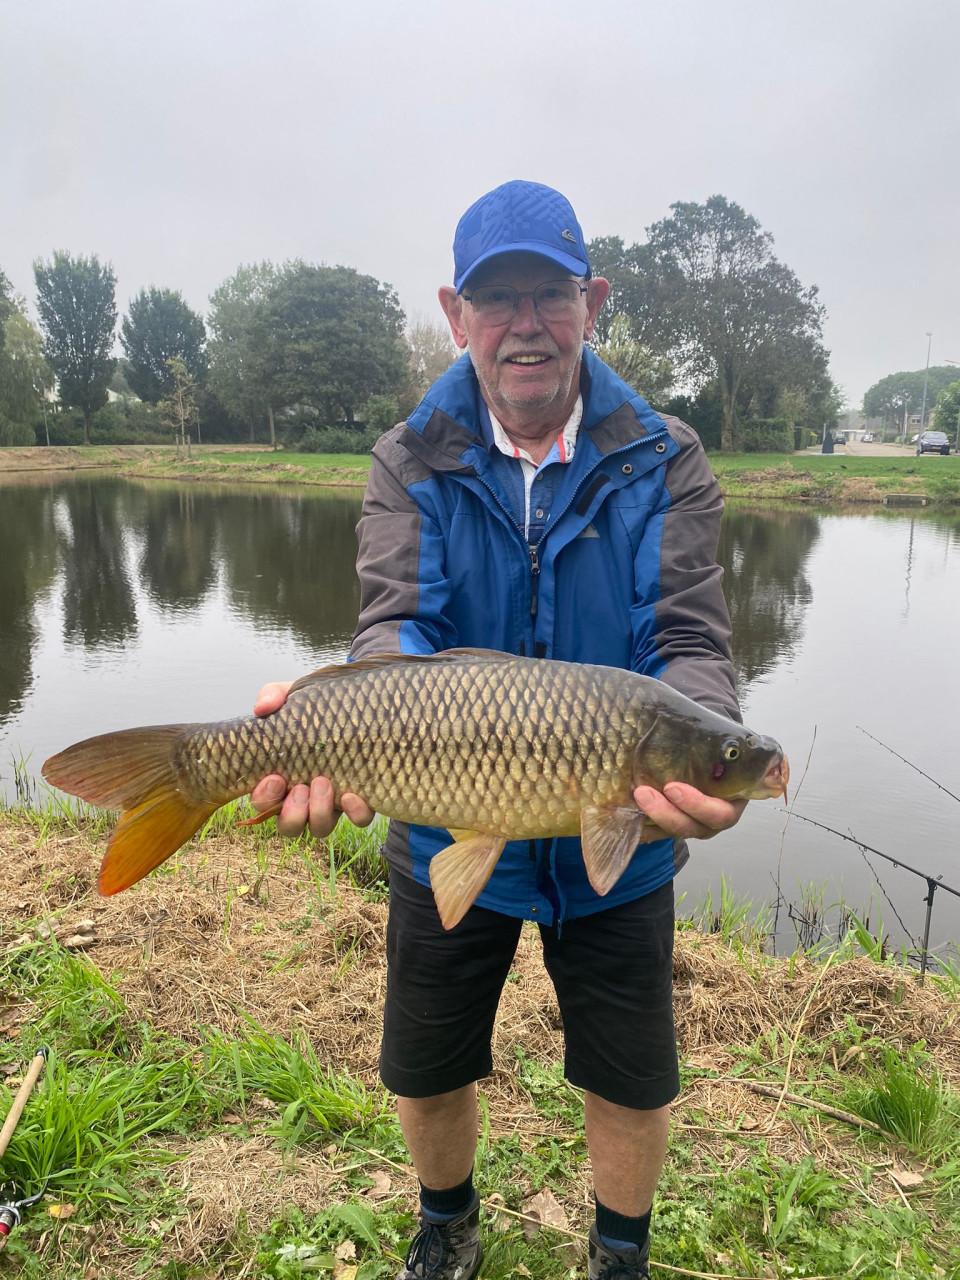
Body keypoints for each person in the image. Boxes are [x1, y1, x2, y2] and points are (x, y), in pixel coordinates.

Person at [250, 180, 745, 1280]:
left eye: (548, 295)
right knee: (425, 1061)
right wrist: (347, 727)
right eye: (497, 299)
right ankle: (446, 1225)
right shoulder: (410, 457)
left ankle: (620, 1252)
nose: (525, 323)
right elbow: (397, 625)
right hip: (443, 826)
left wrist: (714, 741)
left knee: (631, 1071)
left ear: (593, 301)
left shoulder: (666, 457)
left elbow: (693, 640)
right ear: (455, 313)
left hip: (619, 830)